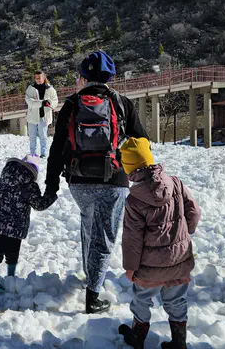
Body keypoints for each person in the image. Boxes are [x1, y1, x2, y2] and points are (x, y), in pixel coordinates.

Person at [45, 50, 148, 314]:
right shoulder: (122, 103)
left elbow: (57, 149)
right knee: (105, 236)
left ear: (82, 77)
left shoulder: (71, 104)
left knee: (89, 224)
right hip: (114, 179)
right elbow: (143, 142)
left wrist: (51, 186)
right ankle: (93, 295)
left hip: (78, 180)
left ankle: (89, 275)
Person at [117, 138, 201, 349]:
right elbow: (194, 212)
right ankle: (179, 341)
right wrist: (185, 233)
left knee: (142, 300)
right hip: (179, 260)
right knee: (177, 300)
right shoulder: (175, 183)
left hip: (149, 268)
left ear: (129, 169)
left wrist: (131, 267)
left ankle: (137, 337)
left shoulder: (134, 201)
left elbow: (132, 239)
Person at [0, 155, 57, 292]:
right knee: (12, 254)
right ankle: (11, 278)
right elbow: (39, 205)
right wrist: (51, 194)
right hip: (15, 227)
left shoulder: (3, 179)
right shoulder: (30, 186)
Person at [25, 71, 59, 158]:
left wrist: (49, 102)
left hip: (44, 117)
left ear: (44, 78)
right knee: (32, 137)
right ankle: (33, 154)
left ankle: (43, 153)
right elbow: (30, 102)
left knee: (43, 136)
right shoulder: (30, 88)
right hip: (32, 117)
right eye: (36, 78)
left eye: (39, 78)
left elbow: (55, 102)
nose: (38, 80)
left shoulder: (51, 89)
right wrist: (42, 103)